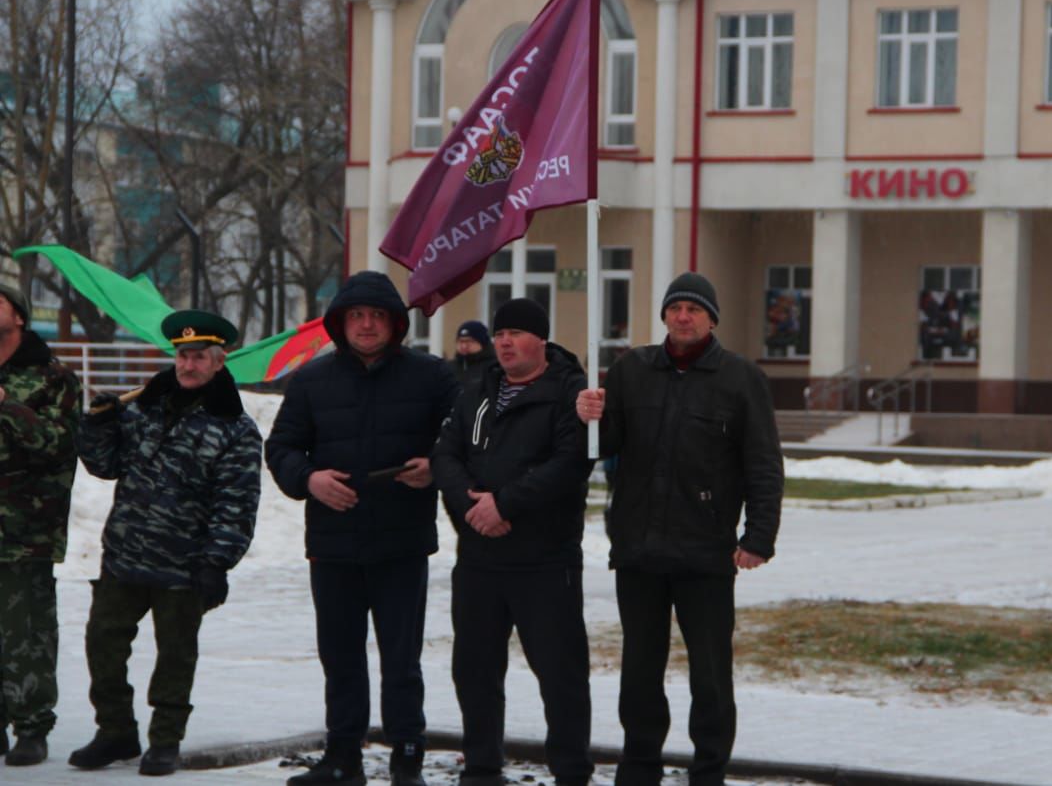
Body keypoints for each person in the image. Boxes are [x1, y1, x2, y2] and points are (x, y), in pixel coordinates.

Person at [575, 272, 783, 786]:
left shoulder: (740, 379)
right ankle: (640, 765)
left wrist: (758, 537)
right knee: (640, 671)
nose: (683, 317)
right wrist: (589, 418)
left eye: (694, 309)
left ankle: (708, 769)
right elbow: (605, 448)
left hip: (706, 552)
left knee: (710, 675)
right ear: (665, 316)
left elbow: (763, 463)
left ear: (712, 319)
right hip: (639, 550)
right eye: (675, 308)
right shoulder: (631, 371)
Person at [265, 271, 459, 786]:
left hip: (401, 540)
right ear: (340, 323)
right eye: (357, 316)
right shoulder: (311, 380)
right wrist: (309, 479)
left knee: (402, 657)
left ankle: (407, 756)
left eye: (376, 316)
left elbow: (464, 437)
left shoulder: (432, 376)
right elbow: (281, 448)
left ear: (396, 323)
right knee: (341, 655)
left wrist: (435, 467)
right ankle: (342, 757)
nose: (367, 325)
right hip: (333, 543)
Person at [70, 309, 262, 777]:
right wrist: (97, 425)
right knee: (103, 644)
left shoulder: (235, 428)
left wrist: (216, 563)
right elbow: (106, 465)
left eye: (199, 357)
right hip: (125, 556)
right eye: (182, 355)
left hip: (185, 565)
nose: (188, 365)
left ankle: (165, 740)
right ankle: (116, 730)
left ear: (219, 362)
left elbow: (236, 505)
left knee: (175, 656)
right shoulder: (144, 407)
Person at [432, 298, 594, 786]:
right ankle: (481, 766)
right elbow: (445, 455)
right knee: (475, 670)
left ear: (540, 341)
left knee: (560, 673)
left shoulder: (570, 394)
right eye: (500, 334)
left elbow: (569, 465)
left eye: (516, 334)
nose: (504, 342)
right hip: (480, 559)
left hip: (545, 561)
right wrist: (471, 505)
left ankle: (570, 770)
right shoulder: (477, 389)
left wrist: (504, 505)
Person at [0, 283, 81, 767]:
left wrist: (6, 404)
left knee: (26, 631)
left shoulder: (54, 378)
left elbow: (58, 443)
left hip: (25, 530)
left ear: (20, 318)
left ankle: (32, 725)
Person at [449, 320, 495, 389]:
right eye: (461, 341)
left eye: (469, 341)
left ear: (482, 343)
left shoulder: (493, 368)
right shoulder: (449, 368)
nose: (464, 346)